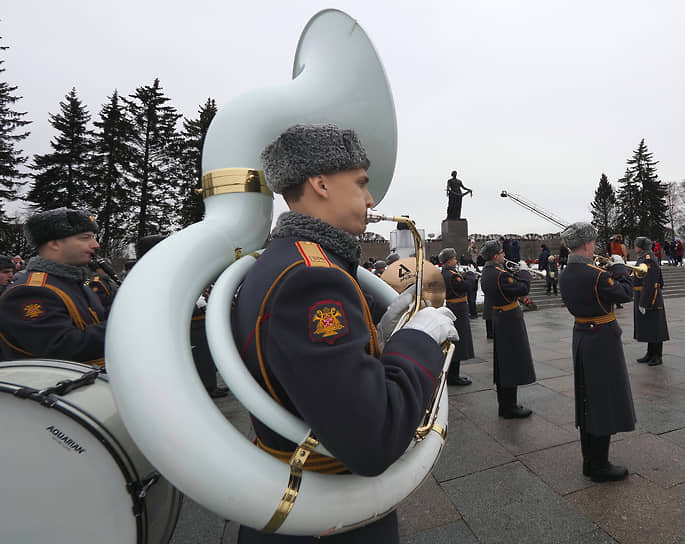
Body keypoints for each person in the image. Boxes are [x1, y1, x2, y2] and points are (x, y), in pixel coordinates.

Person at [233, 124, 457, 543]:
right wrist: (420, 339)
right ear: (320, 183)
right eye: (361, 183)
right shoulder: (312, 279)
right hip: (325, 517)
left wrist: (384, 336)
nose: (371, 200)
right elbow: (372, 437)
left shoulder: (293, 260)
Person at [558, 222, 635, 482]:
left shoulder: (566, 272)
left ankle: (589, 461)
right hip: (602, 339)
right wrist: (620, 267)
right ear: (588, 244)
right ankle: (600, 465)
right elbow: (625, 293)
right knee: (604, 399)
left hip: (582, 336)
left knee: (588, 398)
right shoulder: (596, 275)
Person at [0, 208, 106, 365]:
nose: (95, 244)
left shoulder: (74, 284)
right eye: (86, 238)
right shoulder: (30, 291)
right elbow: (60, 348)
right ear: (54, 243)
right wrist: (122, 326)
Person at [136, 234, 229, 398]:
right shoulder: (151, 272)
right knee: (193, 359)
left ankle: (209, 385)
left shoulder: (168, 267)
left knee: (204, 357)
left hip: (196, 320)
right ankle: (203, 388)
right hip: (183, 323)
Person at [479, 240, 536, 418]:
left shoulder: (489, 272)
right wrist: (525, 272)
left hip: (500, 318)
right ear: (495, 255)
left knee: (504, 363)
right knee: (511, 363)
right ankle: (509, 407)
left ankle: (505, 405)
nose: (504, 255)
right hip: (510, 320)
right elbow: (523, 288)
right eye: (502, 253)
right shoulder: (500, 274)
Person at [633, 236, 669, 366]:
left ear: (641, 246)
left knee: (656, 327)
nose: (634, 247)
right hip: (645, 295)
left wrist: (644, 302)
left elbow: (650, 283)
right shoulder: (644, 257)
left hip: (650, 297)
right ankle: (650, 353)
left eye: (636, 245)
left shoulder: (648, 259)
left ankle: (657, 356)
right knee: (650, 326)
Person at [439, 247, 472, 386]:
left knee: (456, 342)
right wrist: (470, 276)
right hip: (458, 309)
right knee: (458, 342)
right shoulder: (452, 275)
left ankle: (453, 375)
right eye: (453, 258)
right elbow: (465, 286)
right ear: (448, 260)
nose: (456, 260)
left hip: (454, 307)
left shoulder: (447, 273)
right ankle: (453, 376)